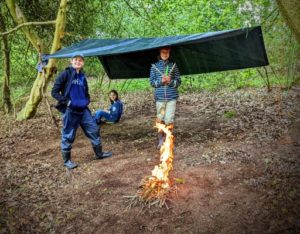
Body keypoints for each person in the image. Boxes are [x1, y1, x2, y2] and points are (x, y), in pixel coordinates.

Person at [51, 53, 112, 169]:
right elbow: (54, 92)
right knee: (68, 135)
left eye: (80, 60)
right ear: (71, 61)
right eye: (76, 60)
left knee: (94, 130)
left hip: (83, 110)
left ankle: (99, 154)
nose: (78, 62)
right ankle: (67, 161)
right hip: (70, 110)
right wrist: (67, 102)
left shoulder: (83, 77)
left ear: (83, 63)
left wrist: (86, 101)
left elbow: (86, 93)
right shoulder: (65, 74)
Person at [149, 47, 181, 149]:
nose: (165, 54)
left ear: (169, 53)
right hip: (160, 99)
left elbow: (178, 82)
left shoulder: (173, 66)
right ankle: (160, 140)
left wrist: (170, 81)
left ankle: (168, 141)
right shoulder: (154, 67)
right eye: (163, 52)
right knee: (160, 118)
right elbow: (152, 83)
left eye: (167, 52)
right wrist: (161, 81)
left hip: (171, 98)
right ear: (160, 53)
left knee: (169, 119)